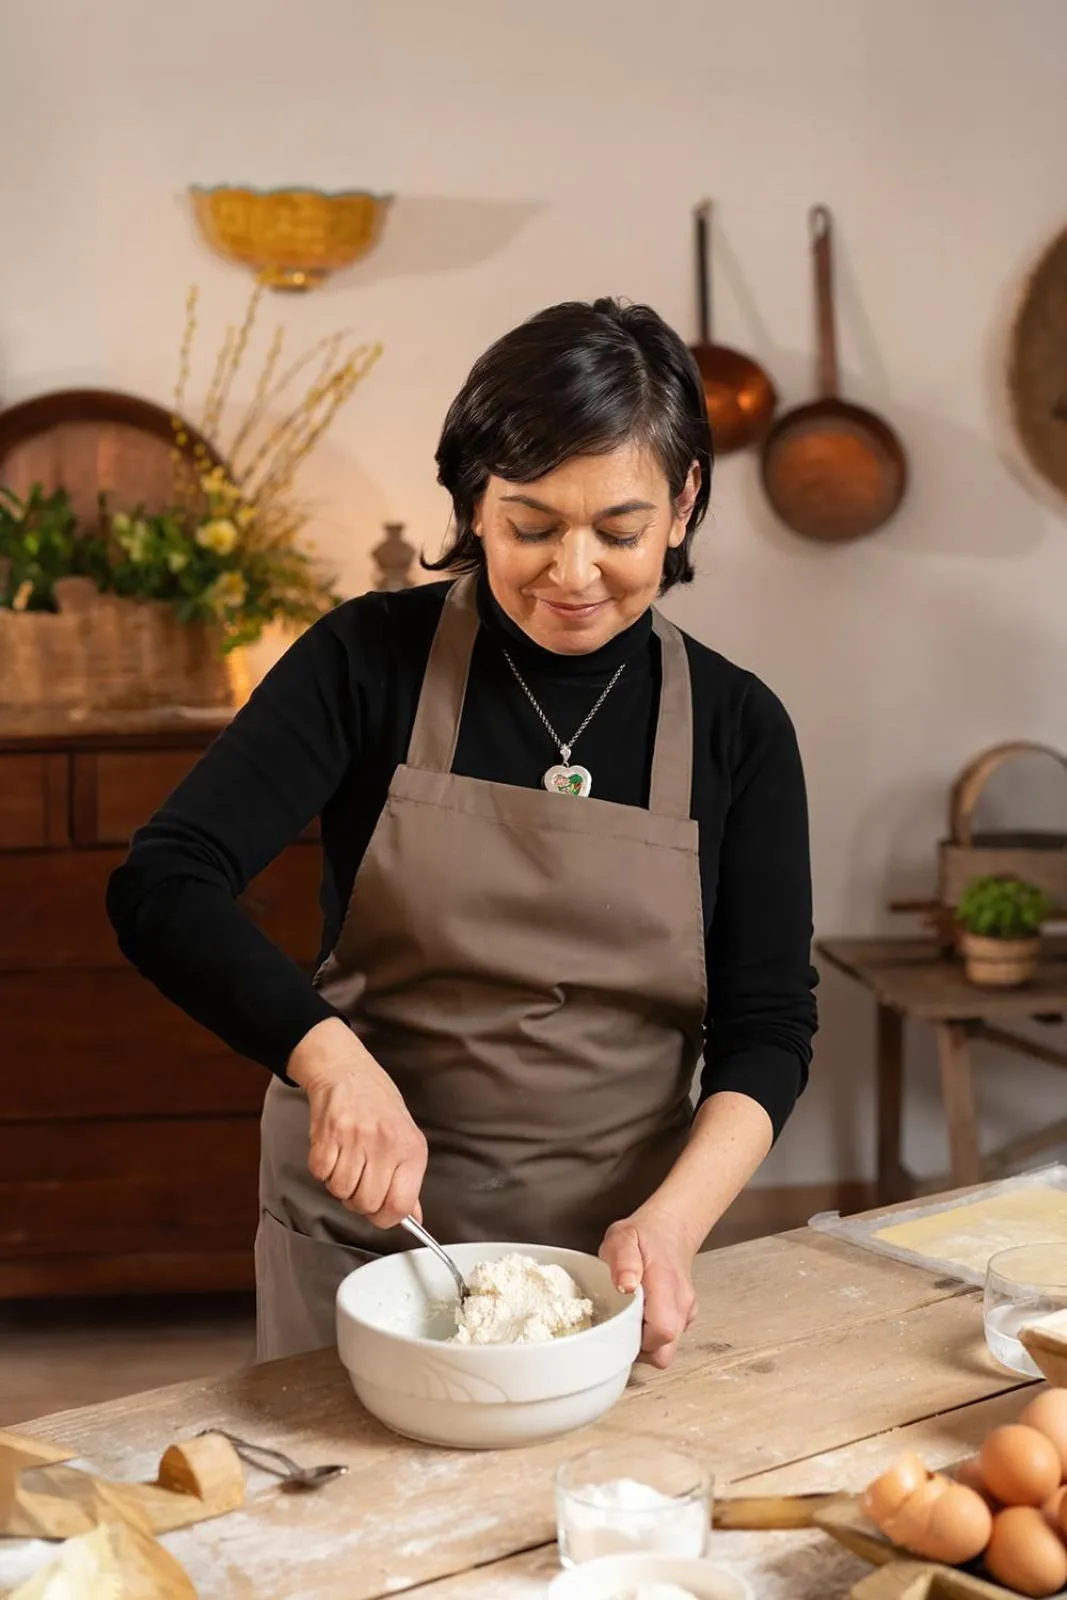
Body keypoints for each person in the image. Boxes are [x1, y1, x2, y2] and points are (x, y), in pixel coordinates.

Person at [107, 297, 818, 1369]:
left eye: (618, 531)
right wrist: (329, 1061)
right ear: (471, 502)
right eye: (531, 525)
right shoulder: (368, 659)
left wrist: (669, 1224)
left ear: (682, 505)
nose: (572, 572)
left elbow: (766, 1029)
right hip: (365, 1246)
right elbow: (165, 880)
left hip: (605, 1260)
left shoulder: (737, 726)